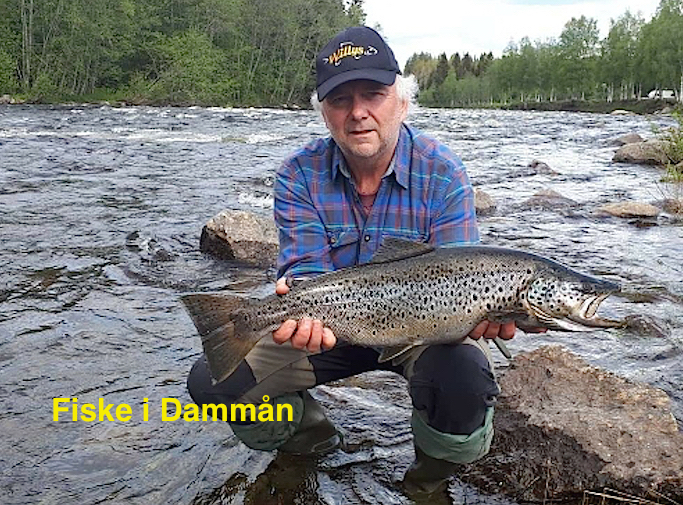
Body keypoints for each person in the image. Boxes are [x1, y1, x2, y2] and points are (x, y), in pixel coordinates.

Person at [187, 25, 522, 497]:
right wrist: (295, 313)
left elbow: (463, 274)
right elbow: (305, 272)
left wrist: (488, 315)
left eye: (373, 95)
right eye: (341, 100)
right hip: (334, 325)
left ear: (402, 102)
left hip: (427, 331)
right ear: (323, 112)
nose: (358, 112)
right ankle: (311, 442)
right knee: (213, 384)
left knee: (463, 378)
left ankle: (428, 481)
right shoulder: (299, 174)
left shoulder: (443, 172)